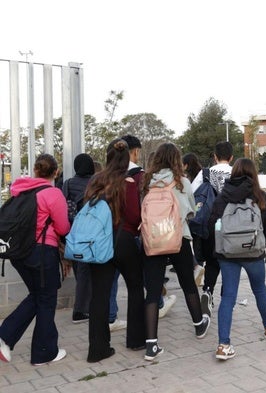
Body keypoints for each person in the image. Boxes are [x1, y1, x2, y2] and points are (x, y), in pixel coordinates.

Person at [142, 143, 210, 361]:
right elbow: (191, 210)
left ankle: (151, 345)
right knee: (188, 284)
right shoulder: (183, 182)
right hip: (178, 238)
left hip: (153, 240)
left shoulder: (147, 182)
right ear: (176, 159)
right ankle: (199, 325)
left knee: (152, 290)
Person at [0, 154, 71, 365]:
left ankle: (5, 337)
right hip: (42, 253)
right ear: (55, 172)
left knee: (39, 296)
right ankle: (43, 353)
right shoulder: (52, 193)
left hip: (18, 254)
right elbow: (63, 227)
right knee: (47, 299)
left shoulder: (19, 191)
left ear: (35, 170)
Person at [209, 158, 266, 360]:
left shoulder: (223, 197)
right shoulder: (260, 196)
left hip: (227, 254)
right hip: (254, 253)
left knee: (228, 297)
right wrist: (260, 244)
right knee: (259, 289)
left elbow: (211, 224)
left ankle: (223, 345)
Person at [85, 139, 146, 362]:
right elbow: (132, 216)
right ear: (127, 158)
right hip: (124, 240)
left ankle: (97, 349)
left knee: (99, 295)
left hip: (98, 243)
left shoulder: (96, 180)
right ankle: (136, 339)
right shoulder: (128, 181)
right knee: (136, 287)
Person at [121, 134, 176, 320]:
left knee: (113, 279)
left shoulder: (112, 174)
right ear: (135, 151)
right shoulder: (141, 175)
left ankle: (111, 315)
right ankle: (158, 304)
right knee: (144, 273)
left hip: (113, 233)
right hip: (136, 230)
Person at [201, 141, 233, 319]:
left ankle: (207, 291)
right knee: (228, 263)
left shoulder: (205, 173)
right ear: (231, 157)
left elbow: (194, 194)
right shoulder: (238, 172)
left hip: (211, 223)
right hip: (231, 225)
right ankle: (227, 300)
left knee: (212, 262)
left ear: (214, 156)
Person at [62, 153, 95, 323]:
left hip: (72, 232)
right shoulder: (95, 182)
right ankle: (80, 310)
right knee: (85, 272)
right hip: (90, 233)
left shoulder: (67, 183)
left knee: (79, 269)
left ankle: (85, 307)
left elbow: (63, 208)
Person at [182, 152, 207, 286]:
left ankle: (197, 270)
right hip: (205, 215)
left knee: (195, 246)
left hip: (195, 217)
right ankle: (199, 271)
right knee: (199, 246)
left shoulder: (191, 180)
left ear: (186, 165)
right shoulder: (203, 175)